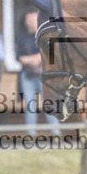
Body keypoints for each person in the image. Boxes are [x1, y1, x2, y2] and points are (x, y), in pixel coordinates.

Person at [15, 9, 61, 137]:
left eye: (33, 18)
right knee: (30, 107)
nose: (30, 21)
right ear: (25, 21)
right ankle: (31, 135)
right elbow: (18, 57)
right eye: (28, 18)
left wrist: (35, 58)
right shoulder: (21, 37)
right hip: (27, 76)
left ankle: (56, 133)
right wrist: (35, 59)